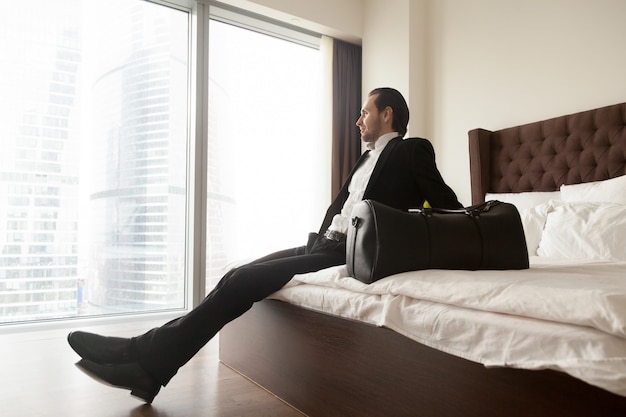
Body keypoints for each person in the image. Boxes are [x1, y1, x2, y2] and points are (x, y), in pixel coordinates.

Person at [68, 87, 462, 403]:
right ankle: (145, 360)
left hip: (349, 252)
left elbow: (449, 207)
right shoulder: (364, 160)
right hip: (323, 244)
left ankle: (142, 358)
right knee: (237, 273)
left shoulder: (411, 151)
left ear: (387, 114)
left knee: (243, 283)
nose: (358, 119)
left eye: (365, 112)